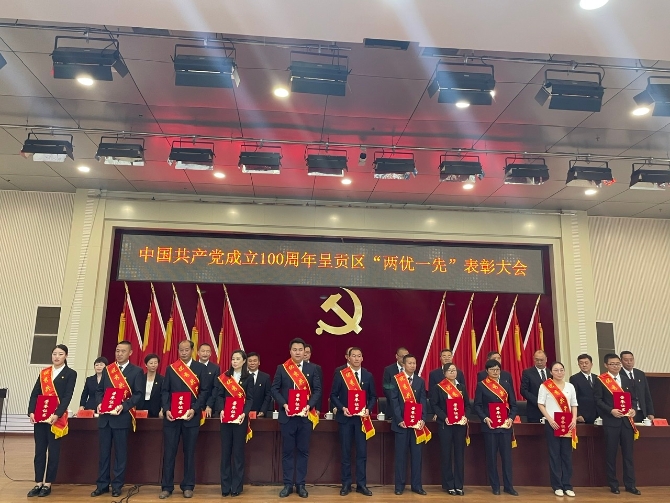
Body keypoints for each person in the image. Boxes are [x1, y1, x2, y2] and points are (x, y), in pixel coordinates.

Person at [271, 337, 322, 498]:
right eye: (295, 350)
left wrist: (309, 405)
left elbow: (318, 390)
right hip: (287, 417)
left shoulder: (312, 368)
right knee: (287, 452)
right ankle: (287, 484)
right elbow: (274, 389)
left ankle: (300, 485)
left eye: (301, 350)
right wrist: (284, 404)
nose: (298, 352)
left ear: (304, 351)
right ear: (290, 351)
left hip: (305, 417)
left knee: (303, 451)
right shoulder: (282, 368)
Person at [92, 341, 143, 498]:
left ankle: (117, 485)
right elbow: (99, 390)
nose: (119, 354)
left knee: (120, 454)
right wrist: (99, 403)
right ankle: (102, 485)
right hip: (105, 419)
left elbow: (138, 394)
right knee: (103, 454)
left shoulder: (137, 371)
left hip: (121, 418)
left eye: (123, 351)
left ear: (130, 353)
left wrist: (124, 406)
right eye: (117, 350)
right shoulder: (108, 370)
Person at [159, 340, 210, 499]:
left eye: (186, 350)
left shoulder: (200, 368)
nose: (183, 352)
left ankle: (188, 486)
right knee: (169, 453)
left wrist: (194, 409)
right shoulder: (171, 368)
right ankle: (167, 487)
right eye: (181, 350)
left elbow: (204, 392)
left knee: (189, 453)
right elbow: (165, 391)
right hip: (172, 418)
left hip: (191, 417)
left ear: (192, 350)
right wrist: (166, 409)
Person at [27, 344, 77, 498]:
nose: (56, 357)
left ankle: (48, 483)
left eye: (60, 354)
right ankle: (38, 482)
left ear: (66, 356)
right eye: (54, 353)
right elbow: (35, 394)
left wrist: (57, 414)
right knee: (39, 451)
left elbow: (67, 396)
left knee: (53, 452)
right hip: (40, 417)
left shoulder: (70, 373)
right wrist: (31, 411)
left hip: (56, 419)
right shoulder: (44, 373)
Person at [329, 347, 377, 497]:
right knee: (345, 453)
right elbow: (333, 395)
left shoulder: (368, 375)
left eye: (359, 356)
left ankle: (361, 485)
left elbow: (373, 396)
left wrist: (368, 409)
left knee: (362, 453)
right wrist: (342, 408)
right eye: (354, 356)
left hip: (362, 420)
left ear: (362, 358)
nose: (356, 358)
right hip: (345, 419)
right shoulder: (341, 374)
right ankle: (346, 484)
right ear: (348, 358)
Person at [594, 353, 640, 496]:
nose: (616, 366)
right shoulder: (601, 380)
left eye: (617, 364)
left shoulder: (626, 380)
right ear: (606, 365)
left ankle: (630, 484)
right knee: (611, 454)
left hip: (626, 423)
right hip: (611, 422)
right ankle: (613, 484)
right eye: (612, 364)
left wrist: (633, 410)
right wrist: (611, 410)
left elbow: (633, 399)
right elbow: (598, 400)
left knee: (628, 455)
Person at [213, 350, 254, 497]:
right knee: (225, 453)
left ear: (244, 361)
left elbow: (250, 399)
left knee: (238, 453)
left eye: (237, 359)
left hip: (240, 420)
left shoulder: (248, 378)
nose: (234, 361)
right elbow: (219, 396)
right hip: (225, 419)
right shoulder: (225, 377)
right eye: (233, 359)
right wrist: (221, 410)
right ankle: (225, 487)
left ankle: (236, 486)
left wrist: (244, 413)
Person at [474, 358, 518, 496]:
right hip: (490, 427)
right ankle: (495, 486)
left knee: (507, 458)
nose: (495, 372)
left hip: (505, 427)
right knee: (492, 457)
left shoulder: (506, 384)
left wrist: (510, 418)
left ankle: (509, 486)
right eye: (492, 369)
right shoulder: (482, 385)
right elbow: (477, 405)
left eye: (497, 369)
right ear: (487, 371)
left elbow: (514, 405)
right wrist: (485, 418)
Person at [389, 353, 428, 496]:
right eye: (410, 363)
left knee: (417, 456)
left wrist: (423, 418)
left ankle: (416, 485)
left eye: (414, 363)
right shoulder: (396, 379)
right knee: (401, 456)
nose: (412, 365)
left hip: (416, 425)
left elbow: (423, 400)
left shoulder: (420, 381)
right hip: (402, 425)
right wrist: (399, 419)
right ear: (404, 365)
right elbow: (393, 401)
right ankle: (399, 486)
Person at [537, 361, 578, 497]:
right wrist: (550, 419)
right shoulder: (545, 386)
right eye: (556, 370)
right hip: (552, 424)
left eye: (561, 370)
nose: (559, 372)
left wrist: (574, 419)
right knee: (554, 455)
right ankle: (557, 485)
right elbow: (540, 404)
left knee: (567, 455)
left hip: (568, 424)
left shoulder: (570, 386)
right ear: (551, 372)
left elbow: (574, 404)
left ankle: (567, 485)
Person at [430, 363, 469, 496]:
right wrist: (444, 417)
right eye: (450, 370)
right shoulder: (439, 387)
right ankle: (449, 485)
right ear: (444, 373)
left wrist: (465, 416)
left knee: (459, 455)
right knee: (446, 455)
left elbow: (467, 405)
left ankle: (459, 485)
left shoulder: (461, 387)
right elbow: (434, 405)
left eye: (454, 370)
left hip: (459, 426)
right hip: (445, 425)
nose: (453, 372)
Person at [619, 351, 654, 423]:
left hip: (642, 410)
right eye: (626, 360)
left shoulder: (640, 374)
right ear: (621, 361)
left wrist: (650, 412)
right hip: (628, 411)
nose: (629, 362)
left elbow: (646, 393)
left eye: (631, 359)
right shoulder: (618, 374)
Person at [520, 350, 550, 423]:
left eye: (541, 360)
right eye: (537, 360)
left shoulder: (551, 373)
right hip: (534, 410)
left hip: (550, 410)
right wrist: (538, 402)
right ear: (533, 359)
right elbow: (523, 390)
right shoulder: (527, 373)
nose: (539, 362)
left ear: (546, 359)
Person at [569, 354, 599, 424]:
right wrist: (578, 414)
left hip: (597, 414)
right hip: (583, 415)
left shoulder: (597, 378)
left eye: (586, 363)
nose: (584, 365)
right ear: (578, 365)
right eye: (581, 363)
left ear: (591, 364)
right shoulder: (574, 378)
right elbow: (574, 398)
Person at [382, 347, 408, 421]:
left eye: (406, 357)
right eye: (402, 357)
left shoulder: (411, 369)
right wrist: (396, 399)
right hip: (392, 408)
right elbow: (386, 387)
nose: (404, 359)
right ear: (397, 356)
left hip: (408, 408)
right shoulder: (389, 370)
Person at [246, 352, 272, 417]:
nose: (252, 363)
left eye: (255, 361)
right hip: (244, 413)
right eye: (250, 361)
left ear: (259, 362)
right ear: (246, 362)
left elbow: (268, 395)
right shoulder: (242, 377)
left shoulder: (265, 377)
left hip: (260, 413)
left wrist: (263, 411)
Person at [198, 343, 220, 418]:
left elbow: (215, 388)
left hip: (209, 405)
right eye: (203, 351)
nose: (205, 353)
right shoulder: (193, 367)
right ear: (198, 353)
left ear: (210, 354)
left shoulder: (215, 368)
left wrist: (209, 405)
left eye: (207, 351)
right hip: (193, 405)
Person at [138, 353, 163, 418]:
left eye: (155, 363)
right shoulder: (140, 378)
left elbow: (163, 395)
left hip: (155, 408)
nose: (153, 365)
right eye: (151, 363)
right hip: (141, 407)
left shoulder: (162, 379)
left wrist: (162, 410)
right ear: (146, 365)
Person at [304, 344, 323, 412]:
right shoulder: (292, 368)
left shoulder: (316, 368)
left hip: (311, 405)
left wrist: (318, 409)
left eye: (307, 352)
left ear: (310, 354)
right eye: (304, 352)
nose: (305, 354)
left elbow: (318, 390)